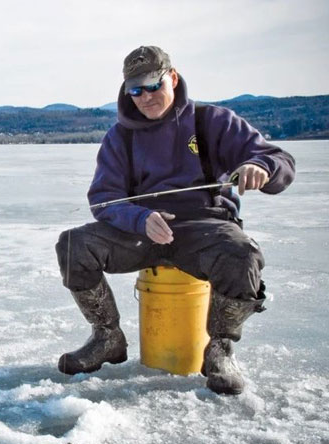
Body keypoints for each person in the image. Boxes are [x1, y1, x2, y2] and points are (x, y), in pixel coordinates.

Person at [55, 45, 295, 395]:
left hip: (204, 227)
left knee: (242, 254)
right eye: (135, 90)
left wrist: (261, 167)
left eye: (154, 85)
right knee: (75, 244)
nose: (146, 96)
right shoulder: (119, 137)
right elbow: (104, 199)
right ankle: (107, 337)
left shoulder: (211, 121)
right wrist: (139, 218)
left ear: (173, 78)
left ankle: (220, 350)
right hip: (141, 232)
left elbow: (277, 158)